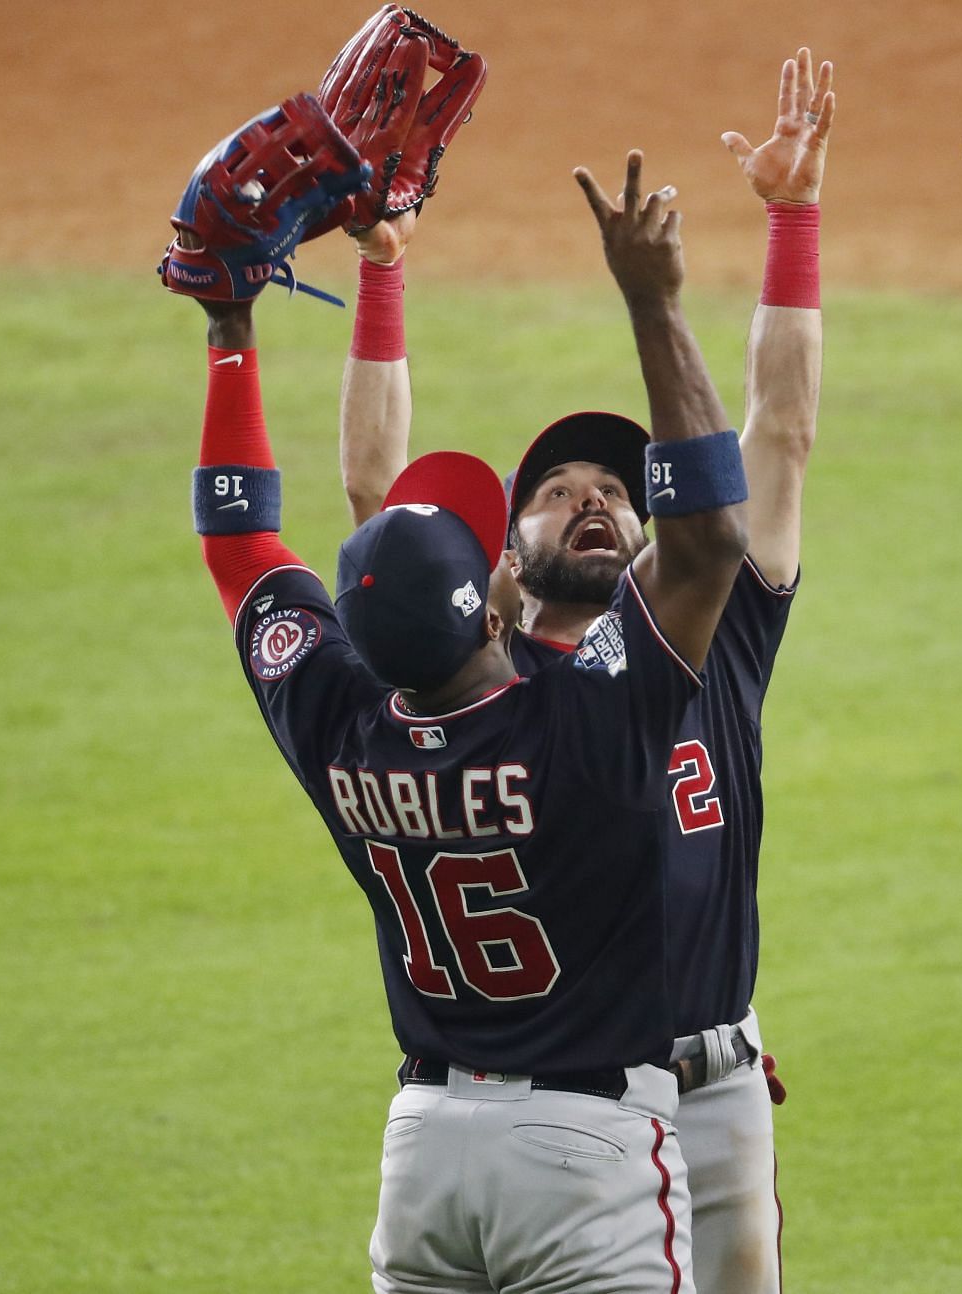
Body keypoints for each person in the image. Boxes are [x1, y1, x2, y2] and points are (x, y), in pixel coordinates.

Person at [185, 149, 747, 1293]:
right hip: (588, 1157)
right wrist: (654, 301)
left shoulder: (339, 719)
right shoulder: (583, 721)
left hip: (426, 1154)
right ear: (496, 606)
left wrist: (230, 329)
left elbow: (241, 544)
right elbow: (707, 543)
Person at [334, 49, 833, 1294]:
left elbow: (777, 433)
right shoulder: (478, 686)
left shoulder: (711, 641)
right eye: (556, 494)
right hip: (576, 1102)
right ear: (502, 562)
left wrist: (792, 219)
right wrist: (383, 273)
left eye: (616, 489)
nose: (593, 503)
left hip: (716, 1091)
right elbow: (371, 500)